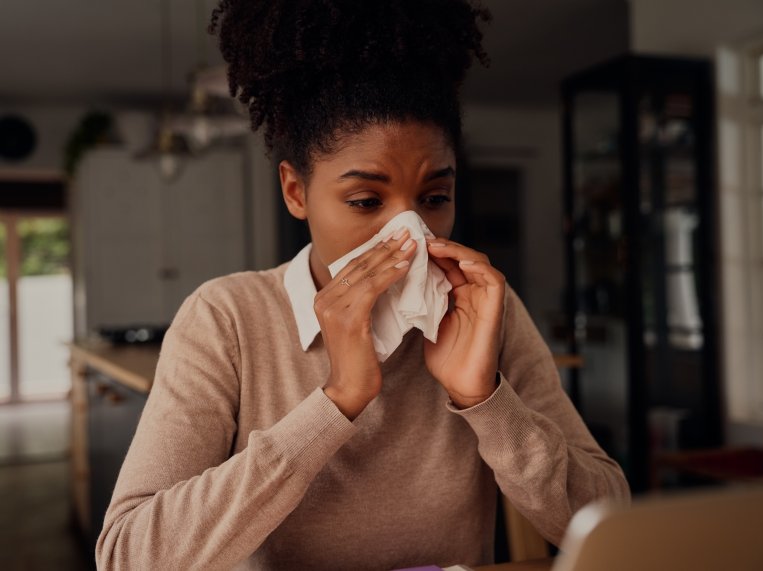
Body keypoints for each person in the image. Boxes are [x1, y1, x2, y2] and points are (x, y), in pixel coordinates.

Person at [96, 1, 630, 569]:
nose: (410, 234)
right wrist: (336, 402)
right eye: (365, 201)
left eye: (434, 199)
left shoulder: (484, 312)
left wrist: (486, 401)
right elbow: (128, 555)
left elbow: (612, 526)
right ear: (296, 192)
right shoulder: (227, 318)